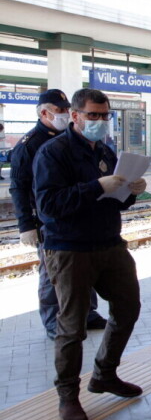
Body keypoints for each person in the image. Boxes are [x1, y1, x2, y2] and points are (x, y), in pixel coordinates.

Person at [33, 88, 146, 420]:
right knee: (72, 326)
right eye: (93, 115)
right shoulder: (53, 153)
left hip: (109, 243)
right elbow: (49, 206)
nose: (99, 121)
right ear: (75, 116)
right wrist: (98, 186)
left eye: (104, 115)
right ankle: (68, 396)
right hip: (70, 249)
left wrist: (130, 190)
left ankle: (104, 374)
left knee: (128, 307)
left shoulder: (107, 152)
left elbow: (117, 198)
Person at [9, 90, 107, 341]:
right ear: (44, 112)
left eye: (66, 109)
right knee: (51, 273)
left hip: (76, 214)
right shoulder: (29, 145)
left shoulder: (71, 139)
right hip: (46, 219)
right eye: (60, 110)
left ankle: (88, 313)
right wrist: (25, 225)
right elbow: (19, 186)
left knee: (84, 268)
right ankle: (53, 319)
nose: (65, 115)